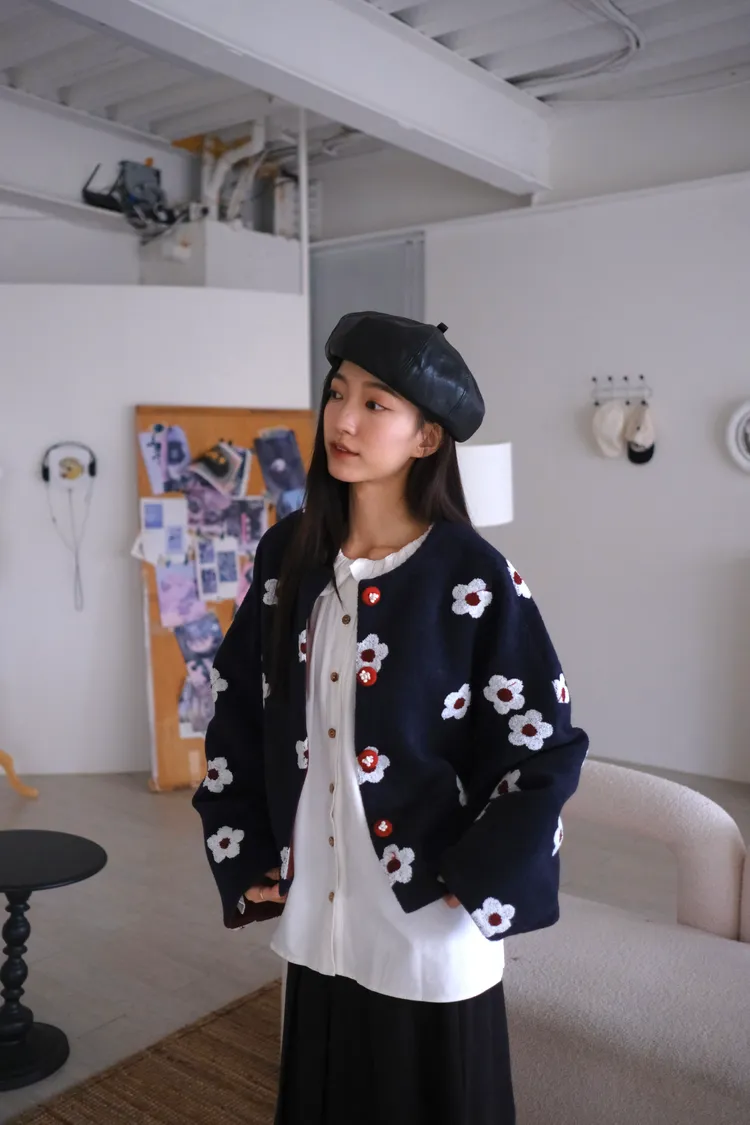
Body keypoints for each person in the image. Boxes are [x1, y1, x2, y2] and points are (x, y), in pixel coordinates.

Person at [192, 311, 590, 1125]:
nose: (343, 419)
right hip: (323, 908)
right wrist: (247, 845)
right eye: (338, 393)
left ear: (426, 438)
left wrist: (474, 876)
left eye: (376, 404)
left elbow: (543, 747)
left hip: (428, 918)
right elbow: (239, 710)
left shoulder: (475, 576)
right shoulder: (288, 556)